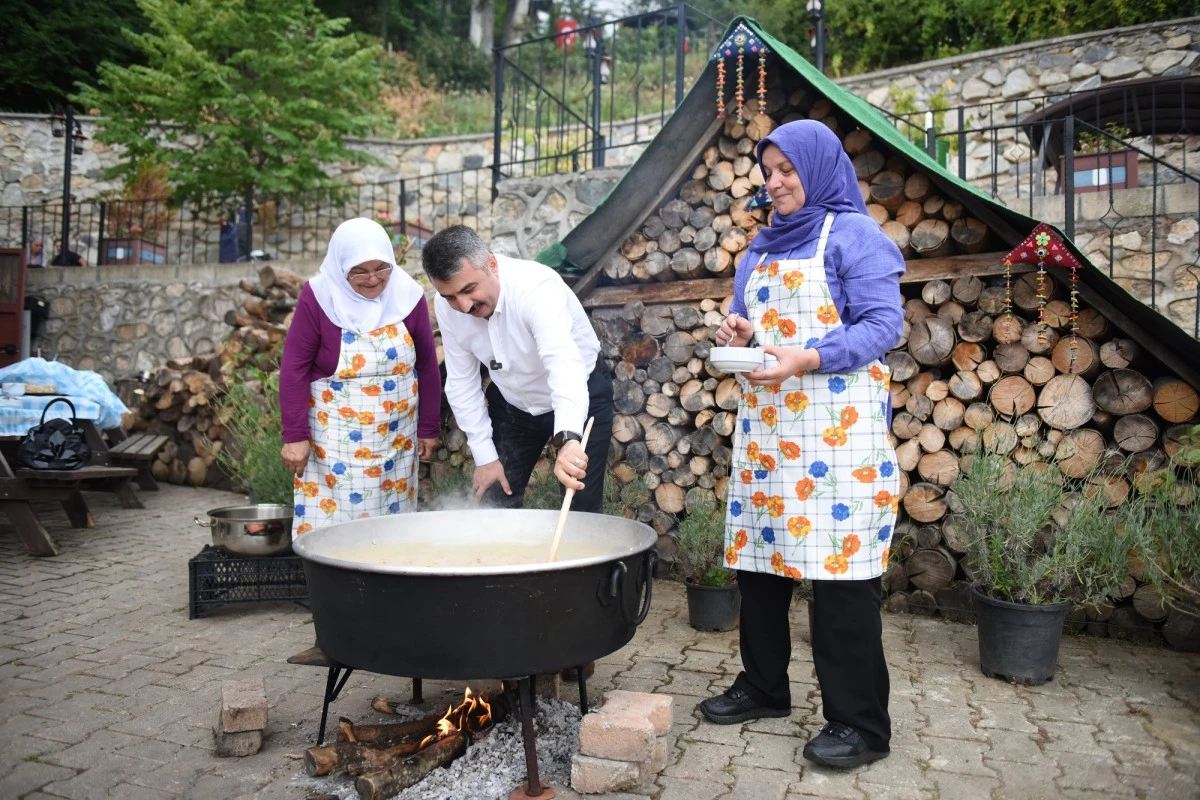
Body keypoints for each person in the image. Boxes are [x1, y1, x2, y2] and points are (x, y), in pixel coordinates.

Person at [698, 120, 904, 770]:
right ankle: (764, 688)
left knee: (841, 584)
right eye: (770, 169)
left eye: (788, 169)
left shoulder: (855, 236)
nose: (775, 181)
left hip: (838, 441)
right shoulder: (759, 247)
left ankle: (861, 726)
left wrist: (807, 356)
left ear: (818, 168)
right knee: (760, 570)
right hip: (770, 441)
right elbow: (754, 323)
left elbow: (883, 325)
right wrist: (742, 328)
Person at [421, 225, 614, 514]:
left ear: (492, 265)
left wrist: (569, 440)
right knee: (492, 500)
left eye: (469, 289)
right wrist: (485, 458)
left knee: (579, 508)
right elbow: (461, 380)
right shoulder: (449, 306)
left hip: (579, 391)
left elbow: (563, 364)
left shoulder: (536, 287)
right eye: (450, 296)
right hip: (514, 404)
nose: (463, 305)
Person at [279, 217, 441, 537]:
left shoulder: (407, 295)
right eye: (359, 271)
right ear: (341, 268)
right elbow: (294, 368)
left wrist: (428, 427)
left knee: (391, 532)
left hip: (396, 440)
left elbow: (427, 364)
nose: (373, 279)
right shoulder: (318, 297)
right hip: (333, 447)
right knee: (334, 533)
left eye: (381, 268)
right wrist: (294, 436)